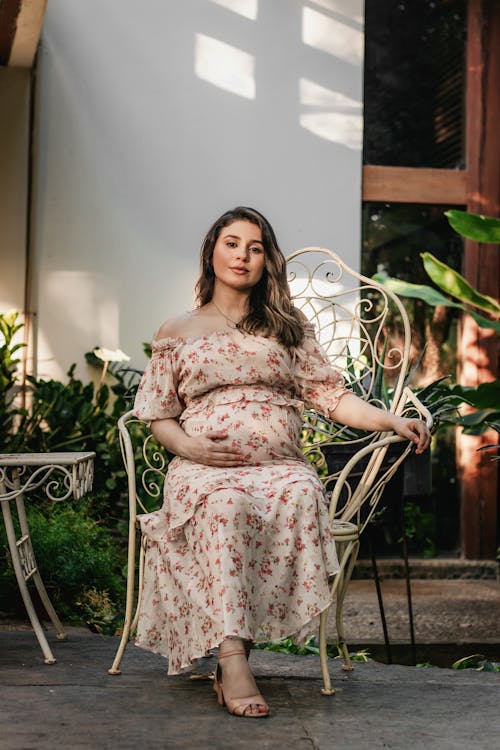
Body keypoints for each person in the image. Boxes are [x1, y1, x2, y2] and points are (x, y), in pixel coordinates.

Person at [133, 206, 431, 718]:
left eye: (254, 247)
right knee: (226, 505)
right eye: (231, 243)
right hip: (206, 469)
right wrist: (191, 448)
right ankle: (233, 661)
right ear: (211, 252)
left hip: (279, 468)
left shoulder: (287, 328)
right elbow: (159, 414)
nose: (242, 256)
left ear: (266, 260)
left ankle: (235, 653)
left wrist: (390, 420)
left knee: (298, 493)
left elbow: (333, 399)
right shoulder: (177, 329)